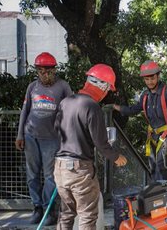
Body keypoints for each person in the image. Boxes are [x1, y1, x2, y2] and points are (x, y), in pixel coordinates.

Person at [54, 64, 127, 229]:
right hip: (80, 171)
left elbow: (57, 130)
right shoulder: (92, 106)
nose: (106, 93)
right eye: (107, 89)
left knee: (66, 214)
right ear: (102, 85)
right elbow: (100, 142)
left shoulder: (65, 102)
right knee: (87, 215)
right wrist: (116, 157)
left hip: (60, 168)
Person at [15, 52, 73, 225]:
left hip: (52, 138)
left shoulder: (63, 86)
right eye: (41, 71)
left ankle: (49, 210)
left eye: (48, 72)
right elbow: (25, 111)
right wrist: (20, 134)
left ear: (54, 70)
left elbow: (72, 109)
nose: (45, 75)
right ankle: (37, 207)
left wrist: (68, 135)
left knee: (50, 176)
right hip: (30, 136)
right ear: (37, 71)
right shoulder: (32, 87)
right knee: (32, 174)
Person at [113, 60, 167, 183]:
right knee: (153, 167)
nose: (150, 82)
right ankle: (154, 195)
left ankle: (161, 195)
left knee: (161, 167)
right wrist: (115, 107)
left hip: (165, 136)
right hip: (152, 136)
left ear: (158, 76)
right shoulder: (145, 95)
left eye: (152, 78)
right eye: (146, 79)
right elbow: (134, 109)